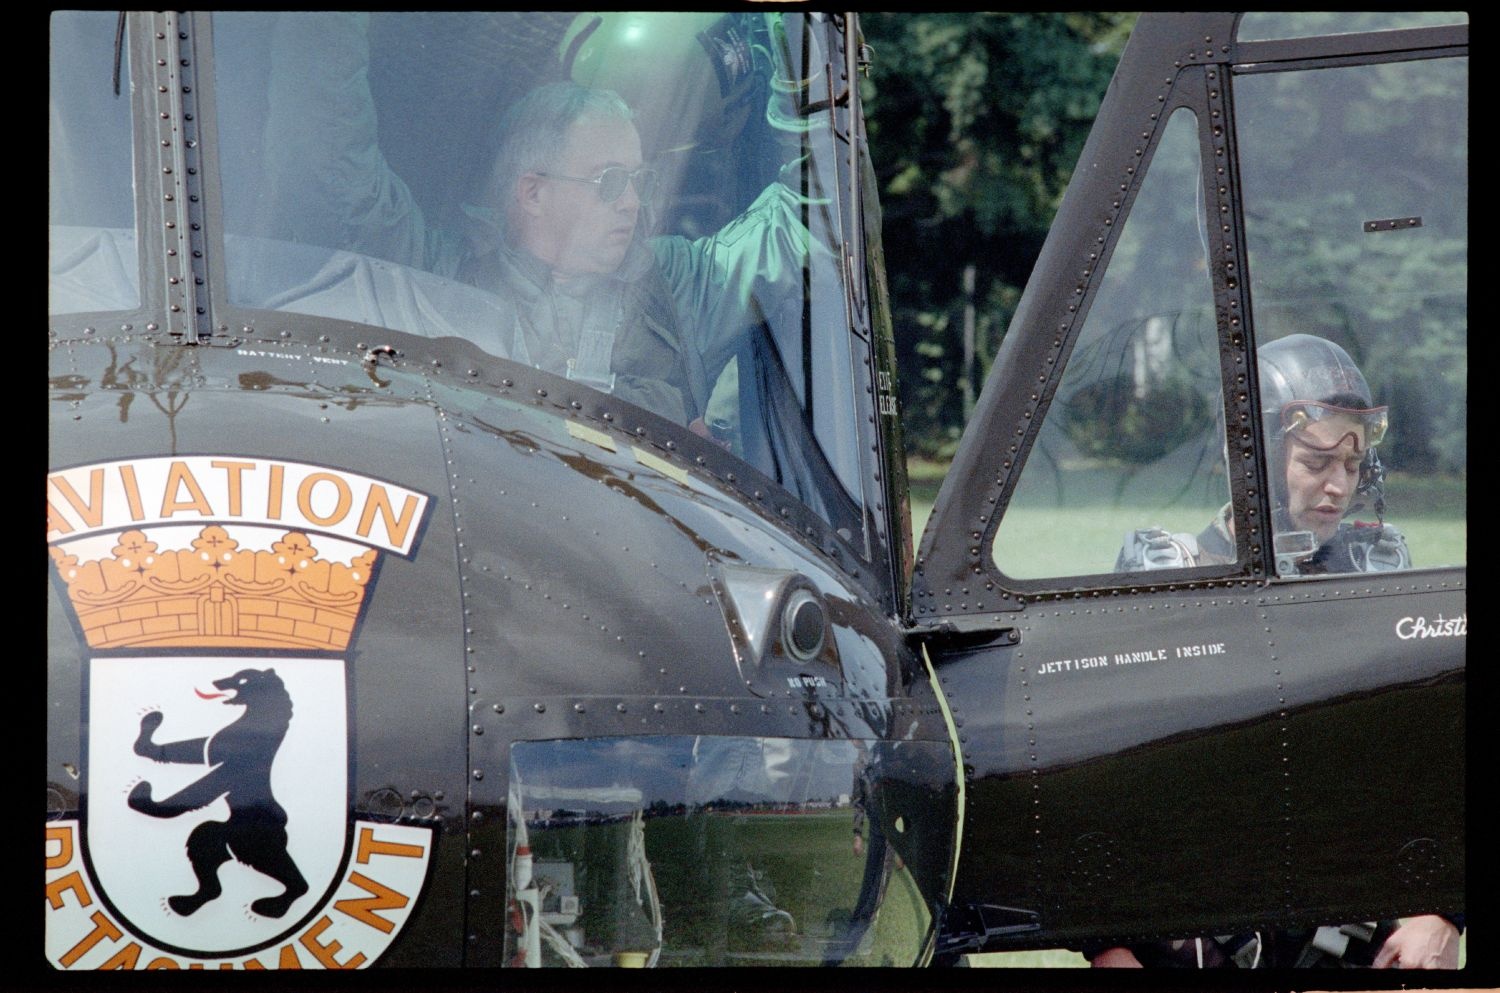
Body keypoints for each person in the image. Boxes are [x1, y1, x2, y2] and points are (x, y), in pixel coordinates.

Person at [262, 12, 828, 433]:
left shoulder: (678, 287)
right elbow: (332, 159)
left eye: (637, 180)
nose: (632, 203)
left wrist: (796, 46)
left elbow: (813, 215)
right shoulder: (435, 274)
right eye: (609, 181)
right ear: (532, 192)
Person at [1098, 333, 1460, 969]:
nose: (1338, 486)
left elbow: (1428, 765)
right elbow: (1100, 783)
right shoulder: (1165, 577)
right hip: (1191, 943)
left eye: (1352, 466)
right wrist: (1109, 949)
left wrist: (1441, 912)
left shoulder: (1374, 575)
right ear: (1254, 457)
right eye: (1317, 462)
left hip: (1346, 945)